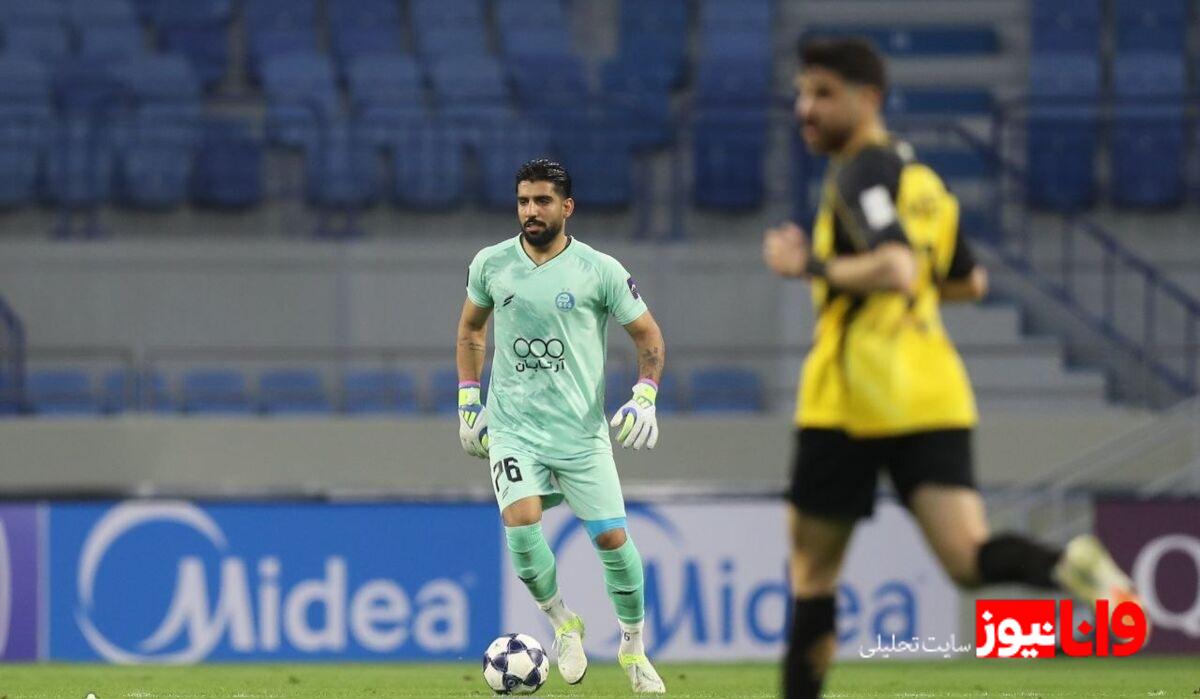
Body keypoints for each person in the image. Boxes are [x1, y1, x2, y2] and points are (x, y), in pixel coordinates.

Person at [763, 38, 1142, 699]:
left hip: (853, 395)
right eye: (801, 94)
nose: (806, 109)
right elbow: (969, 281)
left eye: (823, 93)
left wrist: (808, 265)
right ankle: (1067, 564)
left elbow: (897, 267)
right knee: (968, 558)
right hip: (932, 391)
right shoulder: (926, 184)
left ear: (868, 99)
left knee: (813, 574)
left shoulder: (859, 173)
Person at [456, 159, 668, 694]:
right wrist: (468, 399)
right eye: (524, 201)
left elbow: (649, 337)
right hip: (514, 428)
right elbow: (471, 331)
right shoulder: (491, 264)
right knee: (521, 525)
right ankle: (563, 623)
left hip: (580, 433)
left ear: (567, 207)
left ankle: (633, 646)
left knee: (613, 540)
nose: (531, 210)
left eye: (543, 201)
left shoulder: (600, 270)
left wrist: (645, 395)